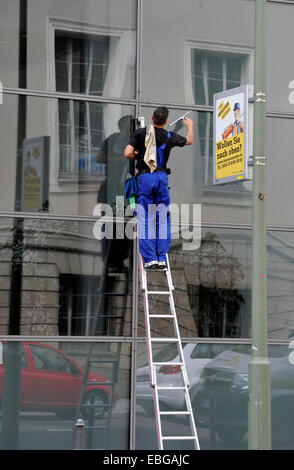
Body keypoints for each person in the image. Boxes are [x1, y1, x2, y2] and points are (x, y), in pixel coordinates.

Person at [124, 107, 193, 270]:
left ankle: (150, 259)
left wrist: (138, 155)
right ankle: (162, 258)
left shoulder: (141, 133)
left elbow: (127, 153)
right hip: (161, 178)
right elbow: (189, 141)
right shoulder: (169, 136)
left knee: (145, 218)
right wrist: (189, 126)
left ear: (152, 117)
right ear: (166, 121)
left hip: (145, 177)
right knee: (162, 217)